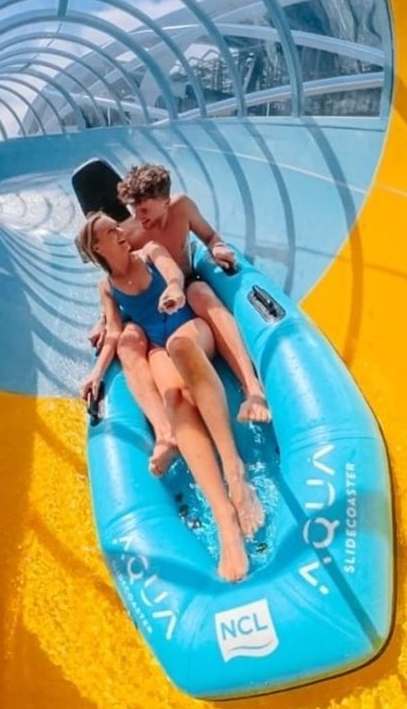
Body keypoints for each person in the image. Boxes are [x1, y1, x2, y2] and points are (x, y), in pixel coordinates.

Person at [75, 211, 263, 583]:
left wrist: (175, 289)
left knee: (180, 345)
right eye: (110, 231)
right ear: (98, 246)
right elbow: (114, 332)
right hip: (158, 344)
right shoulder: (107, 285)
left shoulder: (150, 252)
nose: (121, 230)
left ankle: (235, 472)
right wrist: (95, 374)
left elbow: (174, 274)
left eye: (117, 225)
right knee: (174, 399)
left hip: (190, 327)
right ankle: (224, 517)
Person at [90, 163, 271, 425]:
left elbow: (209, 236)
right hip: (157, 307)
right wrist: (103, 319)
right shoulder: (130, 233)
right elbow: (119, 277)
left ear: (165, 201)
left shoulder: (183, 208)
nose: (139, 217)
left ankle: (253, 390)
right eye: (133, 210)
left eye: (144, 209)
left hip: (185, 286)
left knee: (199, 291)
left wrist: (217, 247)